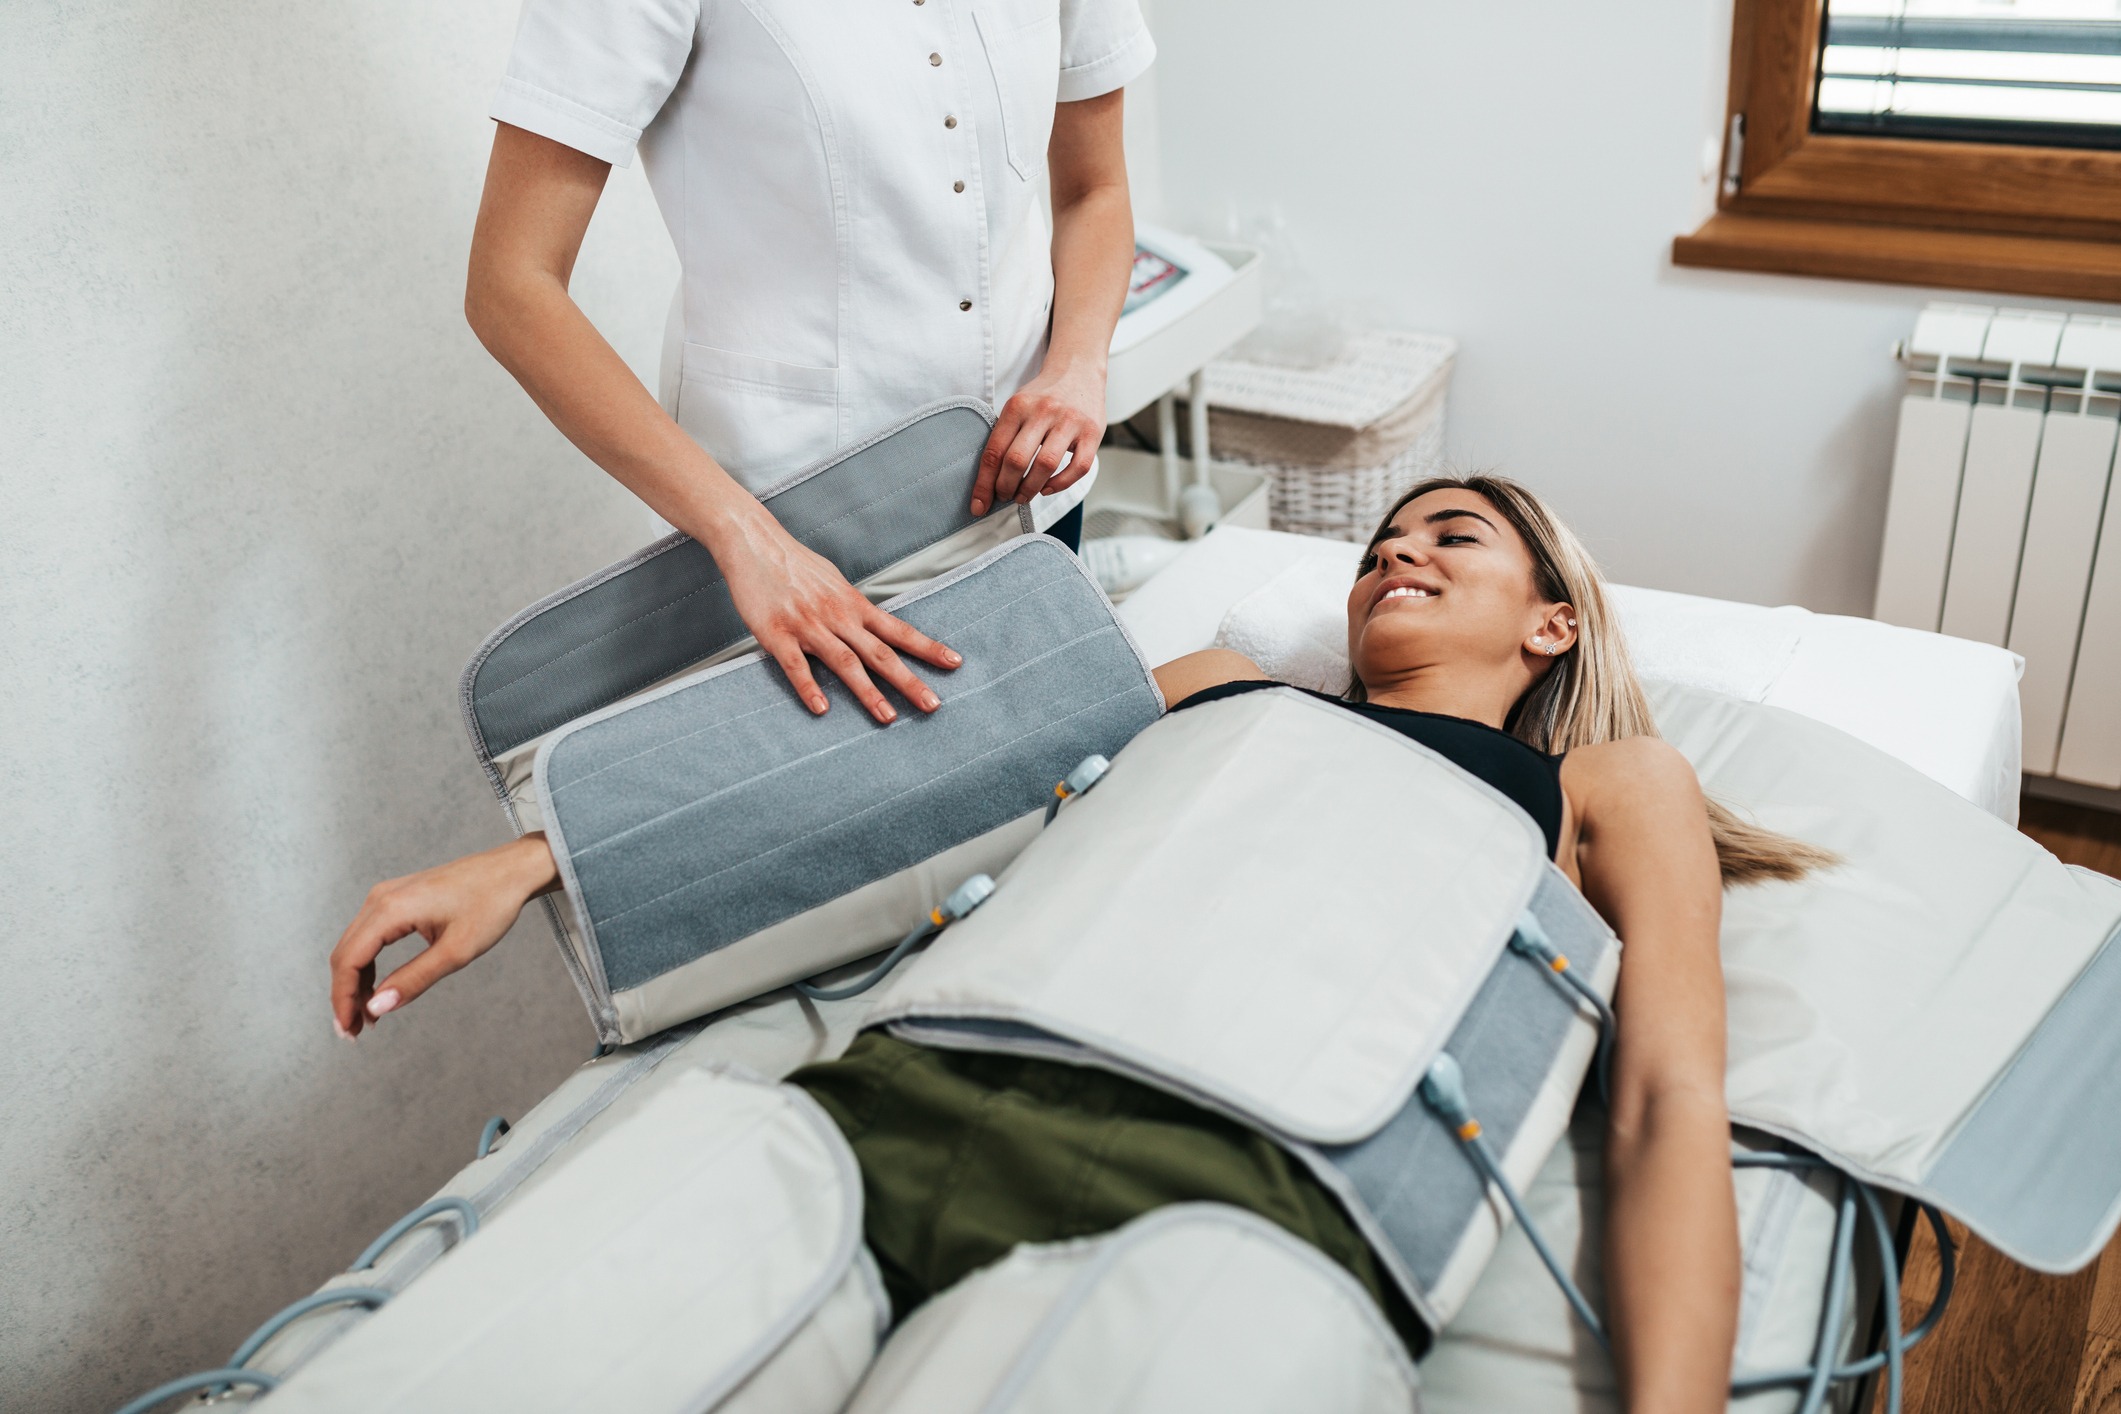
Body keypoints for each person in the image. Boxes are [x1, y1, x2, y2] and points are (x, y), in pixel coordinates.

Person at [328, 476, 1830, 1412]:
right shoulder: (1228, 679)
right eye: (1379, 541)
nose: (1394, 556)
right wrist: (535, 863)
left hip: (1247, 1201)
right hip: (902, 1107)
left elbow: (1664, 1098)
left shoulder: (1606, 788)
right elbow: (922, 774)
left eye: (1452, 536)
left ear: (1553, 626)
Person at [466, 0, 1151, 728]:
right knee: (868, 831)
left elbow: (1093, 190)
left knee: (1058, 795)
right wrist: (748, 540)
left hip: (1031, 501)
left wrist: (1077, 370)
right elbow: (512, 285)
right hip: (798, 537)